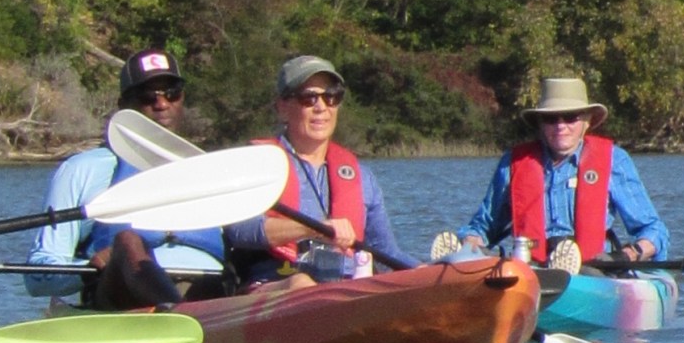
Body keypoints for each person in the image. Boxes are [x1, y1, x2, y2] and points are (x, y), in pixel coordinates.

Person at [26, 50, 231, 306]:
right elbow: (37, 276)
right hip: (123, 297)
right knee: (128, 241)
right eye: (147, 95)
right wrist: (86, 267)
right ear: (123, 106)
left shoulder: (214, 170)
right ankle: (181, 317)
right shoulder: (84, 169)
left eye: (172, 93)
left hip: (208, 292)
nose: (162, 104)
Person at [222, 56, 418, 287]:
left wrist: (429, 271)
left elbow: (386, 253)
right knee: (302, 283)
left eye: (331, 97)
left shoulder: (363, 178)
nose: (321, 107)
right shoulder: (256, 164)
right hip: (276, 285)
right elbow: (240, 231)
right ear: (282, 107)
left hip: (344, 291)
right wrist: (313, 228)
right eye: (309, 98)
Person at [441, 76, 669, 271]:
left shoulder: (614, 161)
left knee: (588, 272)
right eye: (551, 119)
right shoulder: (513, 164)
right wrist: (472, 240)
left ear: (587, 122)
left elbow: (654, 231)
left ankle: (564, 268)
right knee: (487, 256)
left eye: (570, 117)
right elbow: (484, 225)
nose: (560, 126)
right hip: (530, 269)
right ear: (540, 124)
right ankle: (460, 256)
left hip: (594, 269)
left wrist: (627, 255)